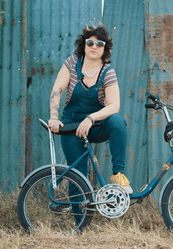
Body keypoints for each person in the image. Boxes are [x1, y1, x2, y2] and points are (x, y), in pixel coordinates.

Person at [48, 25, 132, 194]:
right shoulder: (72, 63)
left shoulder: (107, 72)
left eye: (99, 44)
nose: (94, 46)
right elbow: (57, 90)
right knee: (78, 177)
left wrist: (91, 118)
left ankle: (118, 174)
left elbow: (114, 105)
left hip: (95, 126)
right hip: (71, 125)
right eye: (90, 43)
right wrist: (54, 117)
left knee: (117, 121)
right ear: (84, 45)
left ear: (105, 48)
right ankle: (80, 219)